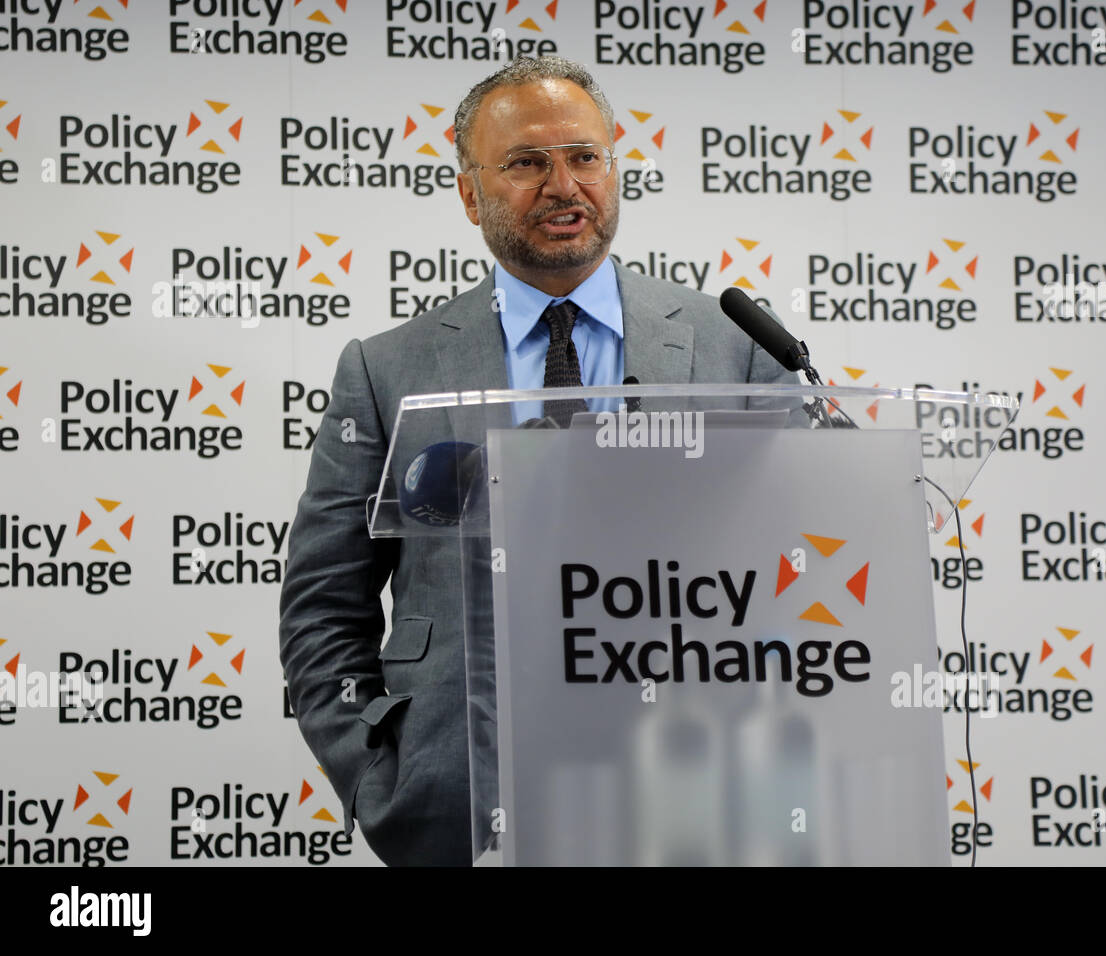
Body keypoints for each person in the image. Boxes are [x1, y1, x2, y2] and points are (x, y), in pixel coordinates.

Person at [279, 55, 798, 866]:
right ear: (468, 192)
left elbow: (801, 568)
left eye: (584, 156)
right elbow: (322, 605)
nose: (564, 185)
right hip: (466, 793)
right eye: (526, 162)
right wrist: (383, 775)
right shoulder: (387, 371)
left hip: (699, 789)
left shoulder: (733, 346)